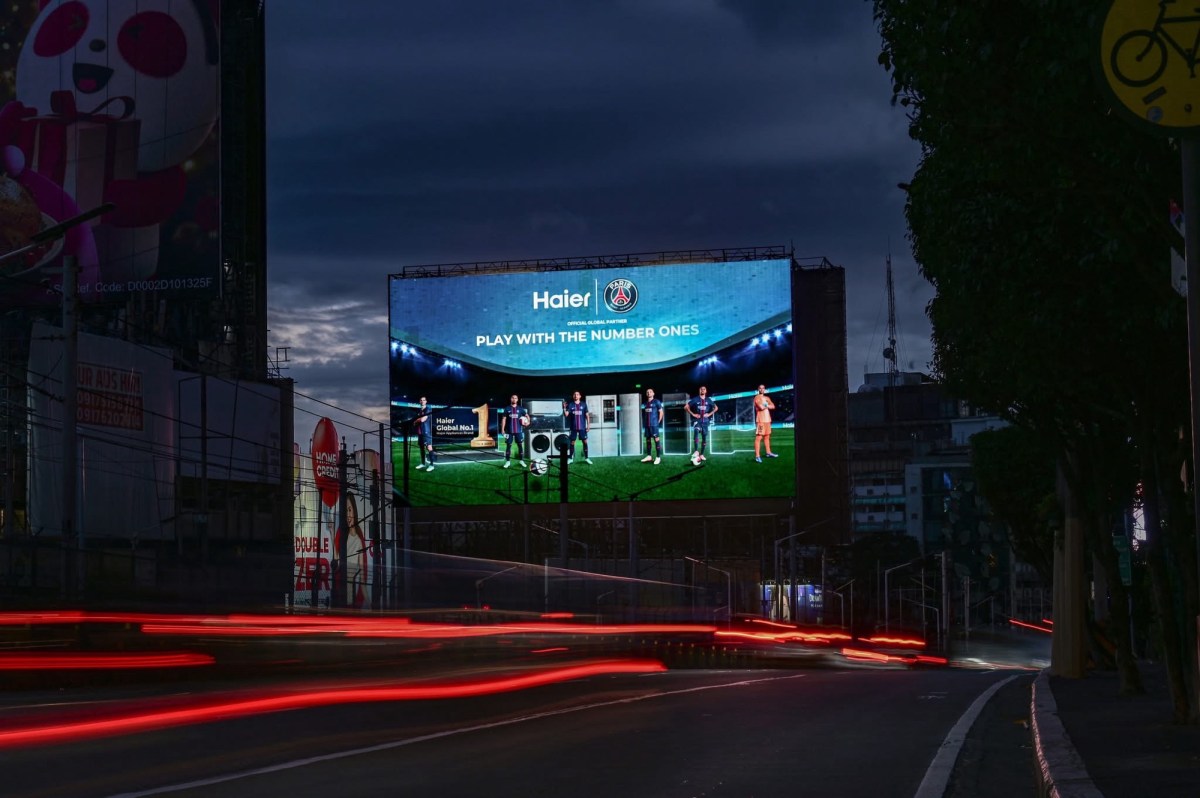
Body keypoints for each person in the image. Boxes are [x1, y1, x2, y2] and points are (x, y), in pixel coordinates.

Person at [686, 385, 718, 463]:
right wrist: (693, 414)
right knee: (696, 431)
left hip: (706, 422)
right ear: (699, 391)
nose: (702, 390)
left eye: (704, 389)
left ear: (706, 391)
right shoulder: (695, 399)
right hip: (697, 420)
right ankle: (696, 451)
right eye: (701, 389)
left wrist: (709, 414)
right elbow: (686, 407)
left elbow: (716, 408)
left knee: (704, 438)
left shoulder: (709, 400)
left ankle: (702, 454)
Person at [500, 394, 529, 468]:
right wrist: (502, 429)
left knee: (520, 445)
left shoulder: (520, 408)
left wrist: (528, 422)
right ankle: (508, 462)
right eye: (513, 398)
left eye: (515, 398)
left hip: (518, 431)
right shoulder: (507, 408)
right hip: (509, 431)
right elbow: (504, 419)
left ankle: (521, 460)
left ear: (517, 399)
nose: (514, 399)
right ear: (511, 399)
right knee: (508, 446)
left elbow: (527, 416)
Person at [563, 391, 592, 464]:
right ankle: (570, 458)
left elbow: (587, 416)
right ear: (573, 396)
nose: (576, 395)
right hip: (573, 427)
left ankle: (587, 458)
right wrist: (564, 408)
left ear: (580, 396)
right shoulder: (570, 405)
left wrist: (588, 425)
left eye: (577, 394)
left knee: (585, 442)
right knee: (572, 442)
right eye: (574, 394)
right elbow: (566, 415)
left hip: (582, 427)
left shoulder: (584, 404)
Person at [754, 384, 780, 463]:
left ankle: (768, 453)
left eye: (763, 388)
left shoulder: (767, 398)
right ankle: (757, 456)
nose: (762, 389)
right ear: (758, 389)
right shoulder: (757, 397)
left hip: (767, 420)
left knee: (767, 437)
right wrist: (767, 405)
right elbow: (761, 407)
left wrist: (765, 405)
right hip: (761, 420)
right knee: (759, 438)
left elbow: (773, 406)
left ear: (764, 389)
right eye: (760, 388)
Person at [641, 388, 663, 464]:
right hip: (647, 425)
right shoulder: (645, 403)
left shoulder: (657, 401)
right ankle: (649, 456)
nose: (649, 393)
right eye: (647, 392)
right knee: (648, 440)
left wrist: (658, 421)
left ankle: (658, 457)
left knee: (656, 440)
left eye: (650, 392)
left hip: (654, 425)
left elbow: (661, 412)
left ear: (653, 393)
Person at [414, 396, 435, 472]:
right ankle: (423, 463)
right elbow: (415, 422)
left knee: (429, 447)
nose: (422, 401)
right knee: (421, 448)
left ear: (426, 401)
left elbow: (423, 419)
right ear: (419, 402)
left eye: (424, 400)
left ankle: (432, 465)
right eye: (421, 400)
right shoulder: (419, 411)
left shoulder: (428, 409)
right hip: (420, 431)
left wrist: (416, 420)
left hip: (426, 431)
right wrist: (417, 421)